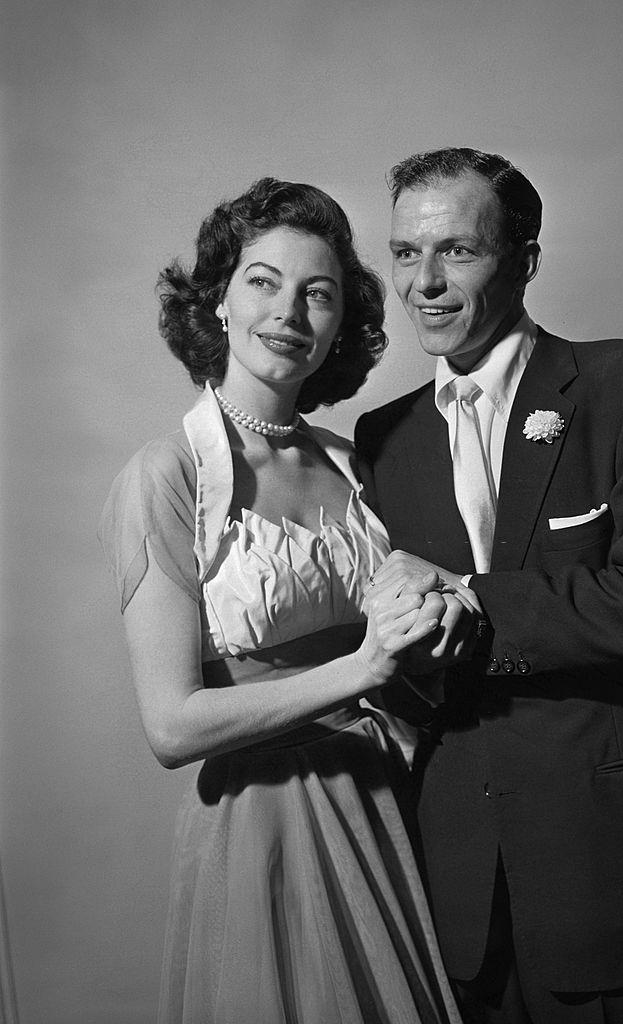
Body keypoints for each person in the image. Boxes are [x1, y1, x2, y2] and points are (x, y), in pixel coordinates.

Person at [355, 149, 623, 1024]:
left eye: (457, 252)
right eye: (405, 253)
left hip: (611, 872)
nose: (424, 284)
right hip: (461, 888)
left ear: (523, 259)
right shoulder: (381, 438)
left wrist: (471, 598)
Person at [99, 177, 471, 1024]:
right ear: (219, 302)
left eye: (319, 294)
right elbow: (171, 727)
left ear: (342, 323)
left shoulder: (355, 462)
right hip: (264, 826)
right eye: (262, 281)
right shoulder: (168, 476)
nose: (288, 313)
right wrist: (363, 667)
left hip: (388, 801)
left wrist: (437, 621)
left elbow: (411, 645)